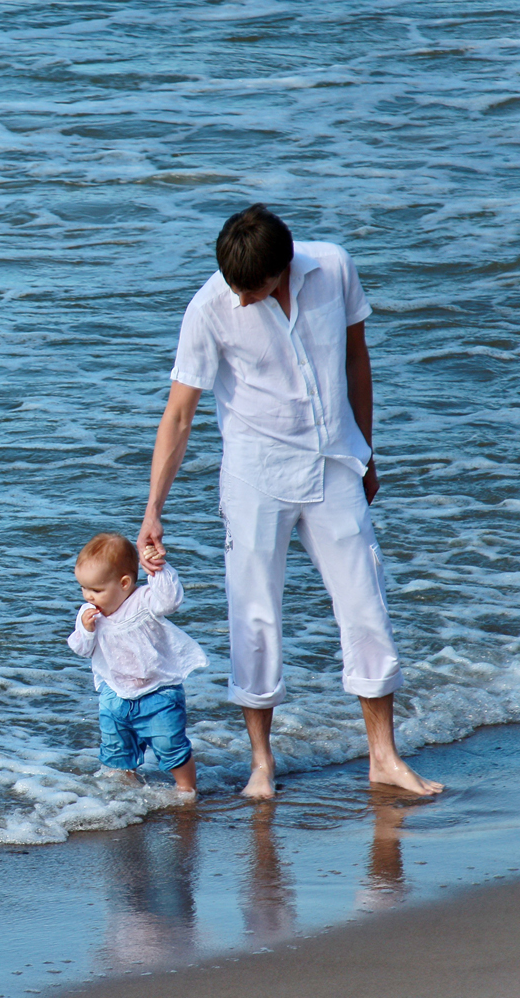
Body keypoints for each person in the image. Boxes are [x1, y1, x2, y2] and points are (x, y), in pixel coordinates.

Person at [137, 203, 443, 799]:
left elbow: (357, 357)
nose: (243, 300)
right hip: (255, 475)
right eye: (236, 289)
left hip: (333, 463)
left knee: (366, 606)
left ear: (286, 266)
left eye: (254, 289)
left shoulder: (332, 268)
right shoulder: (209, 308)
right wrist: (154, 509)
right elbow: (179, 413)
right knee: (254, 617)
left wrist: (367, 451)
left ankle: (383, 757)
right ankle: (261, 764)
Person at [68, 532, 205, 795]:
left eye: (96, 590)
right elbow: (82, 650)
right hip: (115, 693)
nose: (88, 596)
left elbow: (170, 600)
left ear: (124, 583)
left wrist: (157, 569)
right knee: (117, 750)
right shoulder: (88, 614)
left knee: (170, 745)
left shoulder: (143, 600)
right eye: (83, 588)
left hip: (158, 691)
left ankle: (186, 789)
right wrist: (85, 630)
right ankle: (125, 791)